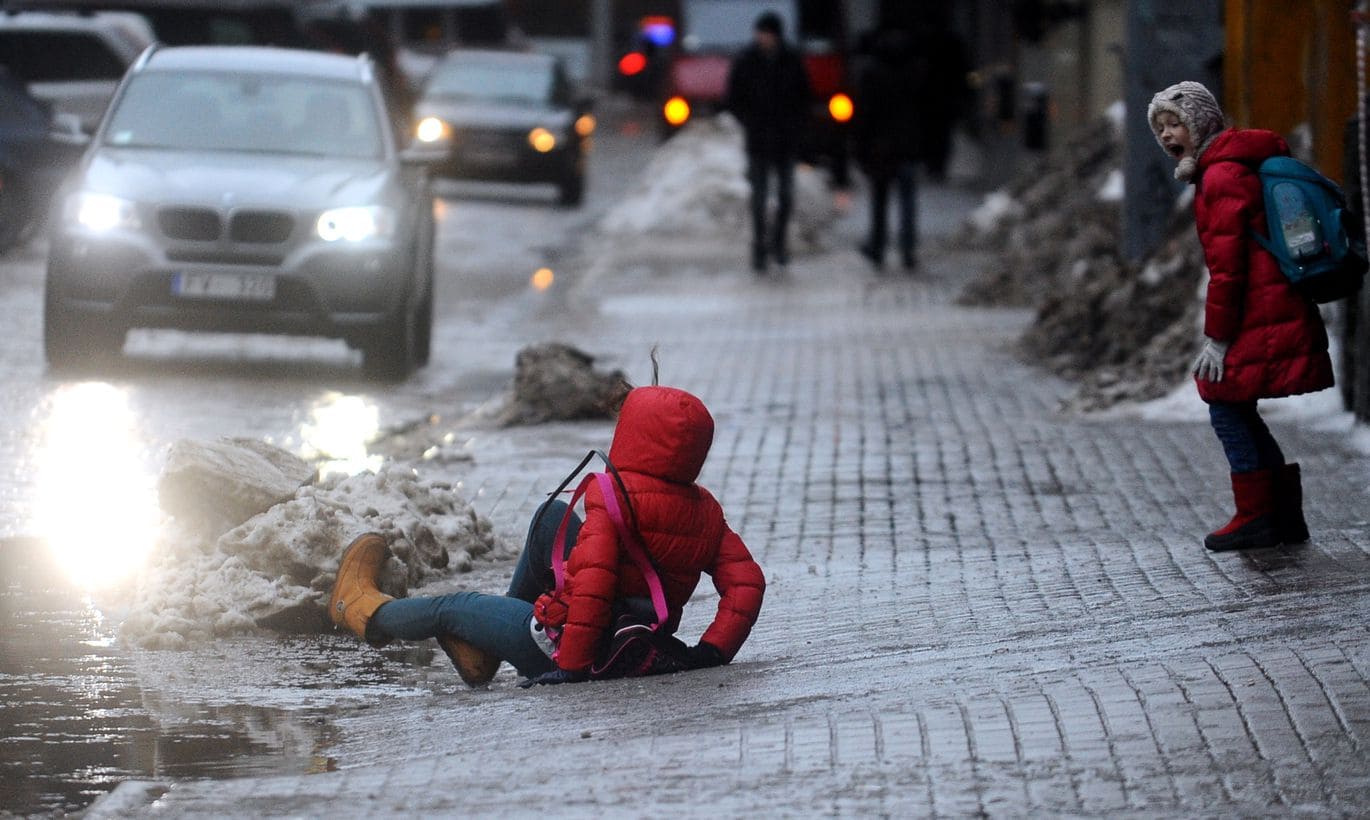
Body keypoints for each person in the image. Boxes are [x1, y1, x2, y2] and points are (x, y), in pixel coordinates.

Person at [327, 384, 767, 685]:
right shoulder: (705, 509)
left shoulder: (612, 497)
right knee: (550, 516)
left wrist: (570, 667)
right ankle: (483, 649)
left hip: (565, 645)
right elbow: (747, 583)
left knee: (452, 606)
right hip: (630, 637)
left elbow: (593, 588)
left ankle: (362, 609)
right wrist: (712, 652)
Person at [1147, 81, 1334, 551]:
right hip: (1267, 304)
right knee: (1237, 406)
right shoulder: (1227, 165)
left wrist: (1218, 338)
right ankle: (1281, 516)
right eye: (1161, 127)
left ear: (1202, 122)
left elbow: (1228, 270)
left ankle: (1258, 517)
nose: (1169, 134)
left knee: (1226, 403)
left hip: (1259, 308)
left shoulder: (1222, 176)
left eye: (1176, 123)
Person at [726, 11, 812, 273]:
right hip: (759, 139)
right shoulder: (747, 61)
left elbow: (803, 98)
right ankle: (760, 246)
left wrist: (795, 126)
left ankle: (779, 242)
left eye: (765, 33)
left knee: (785, 196)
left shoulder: (791, 61)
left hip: (785, 140)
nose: (761, 38)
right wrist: (749, 121)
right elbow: (734, 97)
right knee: (759, 198)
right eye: (759, 33)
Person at [853, 29, 923, 272]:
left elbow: (865, 114)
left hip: (881, 147)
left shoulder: (872, 73)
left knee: (880, 201)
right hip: (908, 145)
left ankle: (878, 246)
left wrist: (861, 146)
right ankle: (908, 249)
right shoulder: (915, 71)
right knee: (907, 201)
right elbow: (926, 109)